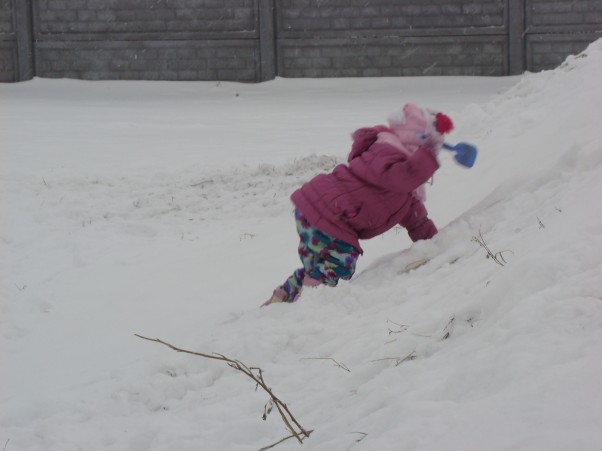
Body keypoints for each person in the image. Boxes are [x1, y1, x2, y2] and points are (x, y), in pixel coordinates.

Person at [262, 103, 454, 306]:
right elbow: (406, 176)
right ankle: (307, 306)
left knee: (319, 268)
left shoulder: (402, 186)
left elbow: (417, 220)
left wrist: (435, 243)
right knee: (340, 265)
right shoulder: (386, 155)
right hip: (331, 216)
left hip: (314, 210)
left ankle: (282, 298)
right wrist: (429, 153)